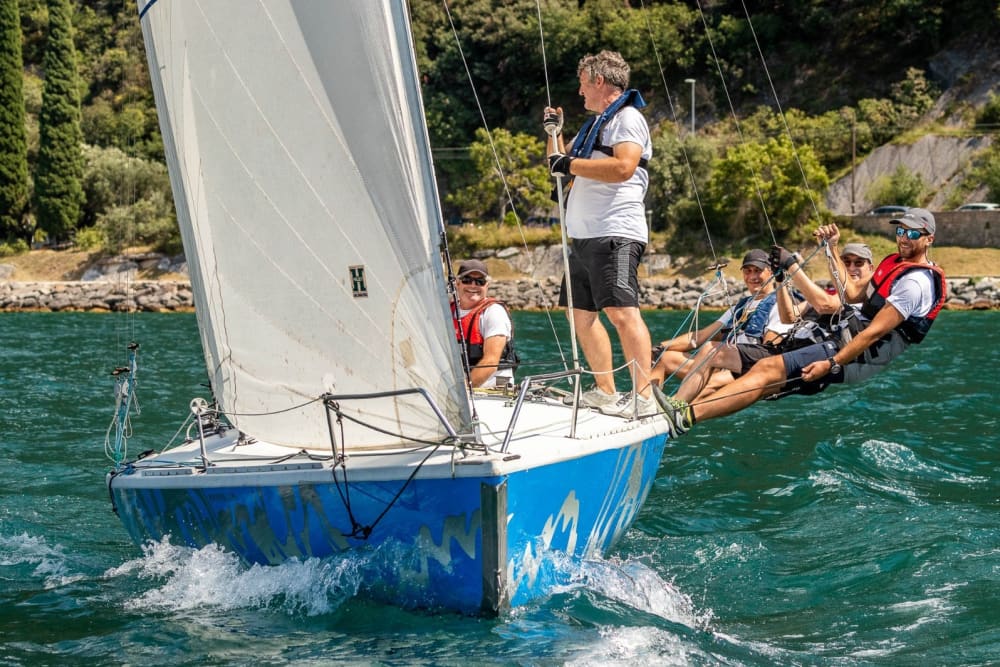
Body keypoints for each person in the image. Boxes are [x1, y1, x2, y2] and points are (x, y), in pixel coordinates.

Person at [655, 208, 948, 435]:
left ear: (928, 239)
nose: (903, 238)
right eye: (900, 231)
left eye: (912, 234)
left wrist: (833, 364)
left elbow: (872, 333)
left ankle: (684, 417)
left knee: (765, 373)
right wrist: (832, 248)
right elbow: (853, 293)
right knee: (722, 355)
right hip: (832, 339)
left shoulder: (916, 283)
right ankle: (678, 406)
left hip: (854, 355)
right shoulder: (893, 263)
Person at [542, 50, 655, 418]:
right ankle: (605, 390)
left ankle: (643, 395)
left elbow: (624, 167)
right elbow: (558, 167)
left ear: (599, 81)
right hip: (585, 237)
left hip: (615, 231)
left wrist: (569, 162)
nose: (579, 92)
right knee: (580, 315)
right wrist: (555, 134)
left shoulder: (626, 119)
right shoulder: (594, 126)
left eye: (582, 83)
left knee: (622, 313)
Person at [649, 249, 795, 400]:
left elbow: (770, 353)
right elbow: (701, 337)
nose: (752, 276)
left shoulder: (780, 305)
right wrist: (658, 348)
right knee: (663, 358)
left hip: (744, 372)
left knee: (703, 381)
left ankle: (672, 408)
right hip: (717, 365)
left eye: (758, 271)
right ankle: (644, 402)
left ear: (771, 272)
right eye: (748, 271)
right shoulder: (740, 307)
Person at [451, 259, 518, 389]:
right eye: (467, 280)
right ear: (457, 283)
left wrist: (463, 390)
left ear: (486, 285)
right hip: (457, 389)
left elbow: (491, 361)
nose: (473, 285)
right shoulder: (447, 311)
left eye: (479, 282)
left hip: (493, 390)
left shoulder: (494, 313)